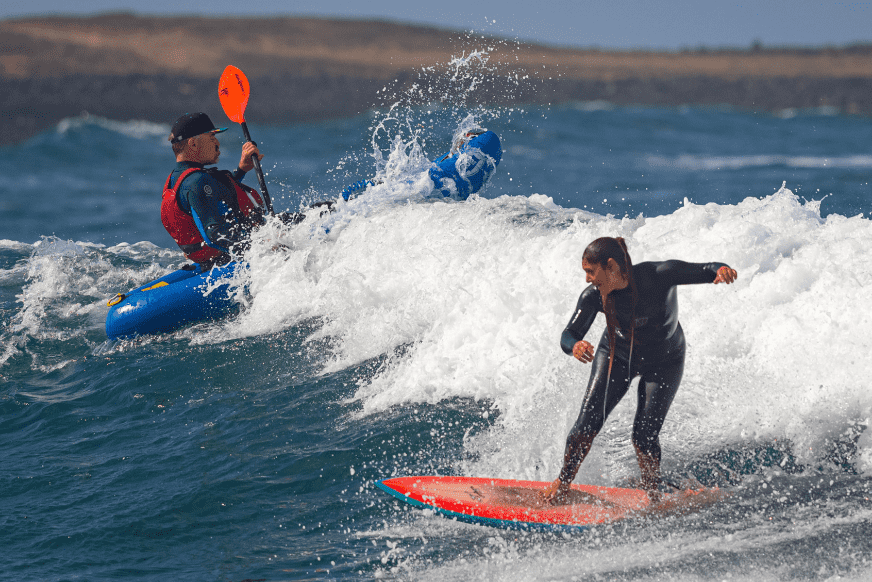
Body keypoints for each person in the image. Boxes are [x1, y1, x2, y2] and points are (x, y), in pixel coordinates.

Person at [542, 236, 738, 504]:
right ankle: (563, 483)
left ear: (610, 266)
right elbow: (569, 333)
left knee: (644, 435)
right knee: (585, 426)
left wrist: (721, 271)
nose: (588, 279)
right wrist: (574, 345)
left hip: (665, 360)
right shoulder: (594, 297)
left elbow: (706, 268)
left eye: (591, 271)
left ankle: (653, 493)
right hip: (617, 357)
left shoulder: (658, 275)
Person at [161, 112, 329, 267]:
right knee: (325, 213)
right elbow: (215, 236)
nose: (217, 143)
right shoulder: (196, 182)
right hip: (231, 256)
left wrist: (241, 170)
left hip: (221, 252)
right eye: (211, 137)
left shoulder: (177, 179)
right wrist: (264, 248)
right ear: (193, 143)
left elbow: (213, 199)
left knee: (320, 210)